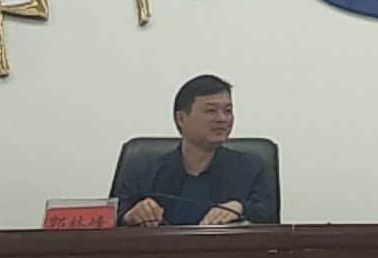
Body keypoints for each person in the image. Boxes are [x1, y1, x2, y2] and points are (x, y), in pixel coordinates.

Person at [113, 74, 276, 226]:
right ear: (181, 119)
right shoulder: (143, 172)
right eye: (211, 110)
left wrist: (240, 208)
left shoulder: (250, 168)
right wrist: (130, 216)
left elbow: (270, 218)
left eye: (228, 111)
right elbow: (111, 217)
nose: (222, 119)